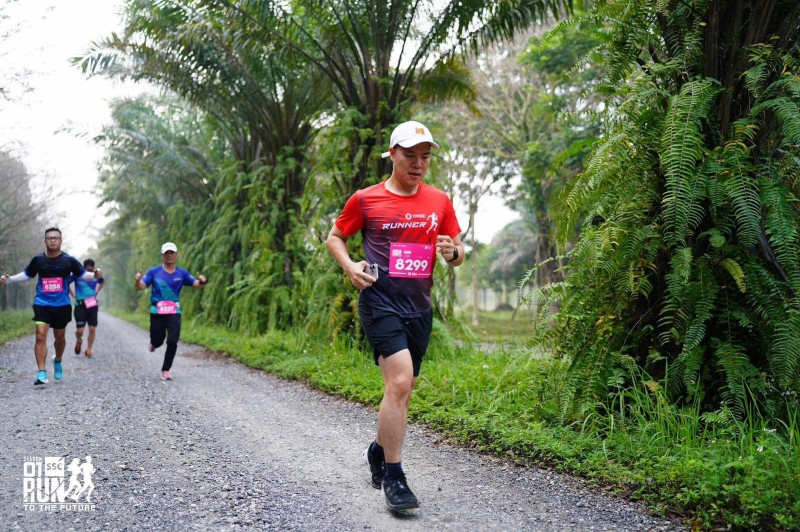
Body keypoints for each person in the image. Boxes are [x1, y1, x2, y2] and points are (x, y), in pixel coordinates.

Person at [326, 120, 464, 511]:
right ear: (392, 156)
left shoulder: (439, 201)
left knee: (404, 389)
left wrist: (454, 254)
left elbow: (456, 249)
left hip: (419, 307)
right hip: (380, 302)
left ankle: (377, 449)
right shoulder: (366, 199)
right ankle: (395, 476)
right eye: (410, 156)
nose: (418, 164)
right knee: (399, 383)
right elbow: (336, 237)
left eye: (425, 157)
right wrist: (349, 266)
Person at [0, 227, 104, 385]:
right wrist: (10, 279)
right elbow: (27, 274)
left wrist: (94, 275)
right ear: (45, 241)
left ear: (61, 241)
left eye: (56, 238)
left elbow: (83, 275)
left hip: (62, 305)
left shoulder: (69, 260)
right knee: (40, 336)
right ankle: (41, 372)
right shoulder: (38, 260)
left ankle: (58, 360)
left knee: (60, 338)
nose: (53, 240)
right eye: (49, 238)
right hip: (42, 303)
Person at [133, 242, 207, 381]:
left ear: (176, 255)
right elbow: (141, 287)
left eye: (171, 253)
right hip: (157, 310)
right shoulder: (154, 272)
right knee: (157, 339)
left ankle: (166, 369)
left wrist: (202, 281)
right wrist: (137, 281)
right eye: (166, 253)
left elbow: (196, 284)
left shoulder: (182, 273)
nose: (169, 255)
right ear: (162, 255)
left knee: (172, 341)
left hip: (174, 310)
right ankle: (154, 343)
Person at [69, 259, 105, 358]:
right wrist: (72, 295)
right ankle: (79, 340)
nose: (89, 272)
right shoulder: (77, 275)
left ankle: (89, 349)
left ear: (93, 268)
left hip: (92, 305)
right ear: (83, 268)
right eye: (87, 270)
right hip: (80, 305)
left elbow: (103, 282)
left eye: (91, 270)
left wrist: (97, 292)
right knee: (80, 331)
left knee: (92, 328)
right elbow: (65, 283)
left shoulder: (96, 275)